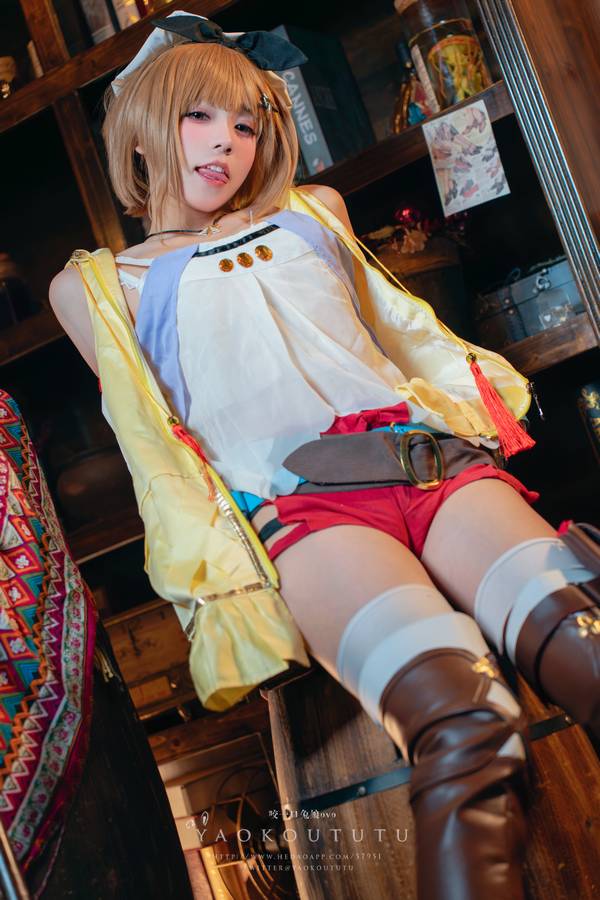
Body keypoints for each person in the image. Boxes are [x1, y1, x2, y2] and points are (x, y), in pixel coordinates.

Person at [48, 12, 600, 899]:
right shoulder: (99, 287)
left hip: (430, 464)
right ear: (142, 126)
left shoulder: (316, 212)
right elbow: (157, 445)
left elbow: (394, 339)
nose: (226, 142)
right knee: (465, 724)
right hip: (308, 509)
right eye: (199, 116)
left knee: (586, 642)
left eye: (246, 122)